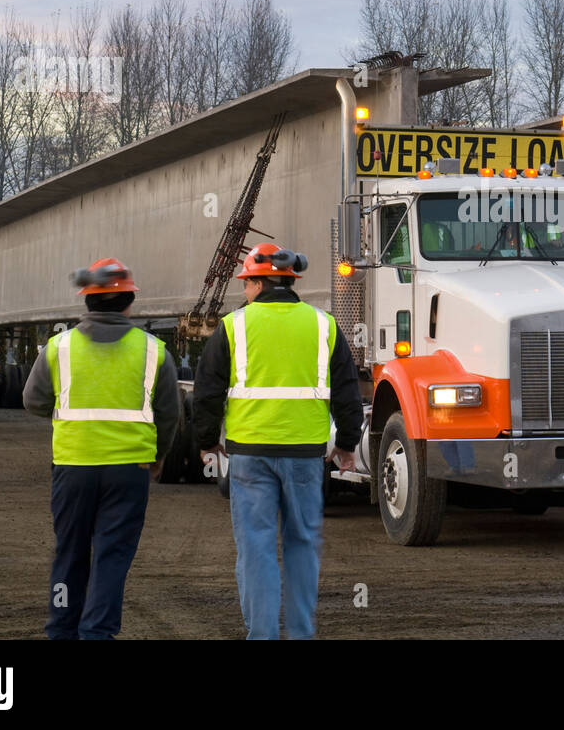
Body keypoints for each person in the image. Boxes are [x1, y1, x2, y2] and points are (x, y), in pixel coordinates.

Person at [192, 242, 363, 640]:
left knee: (256, 548)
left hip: (250, 455)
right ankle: (301, 634)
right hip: (305, 456)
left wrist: (206, 441)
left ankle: (263, 635)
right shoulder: (323, 325)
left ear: (258, 282)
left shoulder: (233, 327)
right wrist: (348, 444)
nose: (244, 291)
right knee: (302, 545)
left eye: (246, 283)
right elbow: (347, 391)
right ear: (289, 281)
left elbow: (207, 391)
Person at [23, 257, 180, 640]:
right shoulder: (153, 350)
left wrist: (70, 420)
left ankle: (61, 628)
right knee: (112, 556)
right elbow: (170, 415)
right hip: (129, 471)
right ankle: (97, 632)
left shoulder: (58, 347)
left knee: (69, 552)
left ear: (87, 302)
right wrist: (157, 458)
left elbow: (33, 400)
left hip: (72, 467)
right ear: (129, 301)